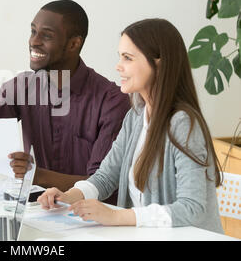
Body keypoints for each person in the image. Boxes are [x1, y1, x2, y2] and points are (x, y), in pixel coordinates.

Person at [37, 18, 224, 233]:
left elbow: (193, 208)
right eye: (120, 57)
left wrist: (116, 216)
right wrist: (67, 197)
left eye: (128, 58)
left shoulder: (182, 124)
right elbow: (106, 177)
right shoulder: (136, 116)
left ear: (159, 62)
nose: (118, 66)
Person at [0, 0, 130, 199]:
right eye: (33, 31)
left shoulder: (112, 101)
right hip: (41, 210)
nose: (34, 41)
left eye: (46, 35)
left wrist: (36, 175)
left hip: (94, 217)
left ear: (73, 44)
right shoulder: (23, 87)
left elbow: (102, 182)